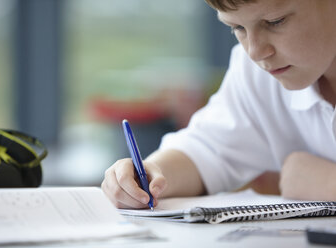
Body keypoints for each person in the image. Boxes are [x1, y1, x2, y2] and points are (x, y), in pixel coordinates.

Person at [101, 0, 336, 209]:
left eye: (275, 21)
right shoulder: (257, 74)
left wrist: (325, 183)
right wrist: (149, 175)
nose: (254, 52)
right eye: (238, 28)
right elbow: (206, 151)